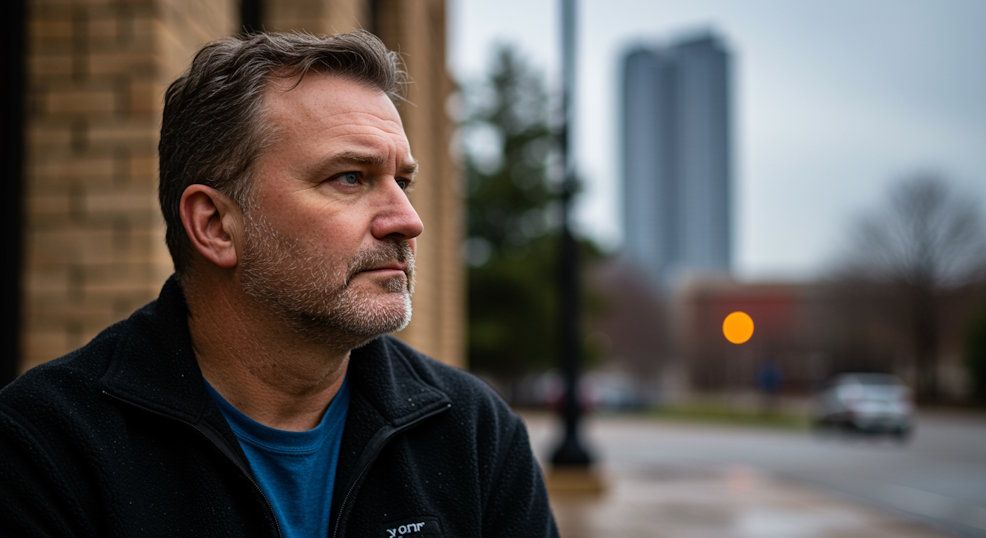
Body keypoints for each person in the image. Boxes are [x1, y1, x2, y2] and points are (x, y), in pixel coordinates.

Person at [0, 31, 558, 537]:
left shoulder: (472, 434)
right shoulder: (46, 446)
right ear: (216, 225)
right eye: (349, 177)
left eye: (403, 180)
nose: (407, 219)